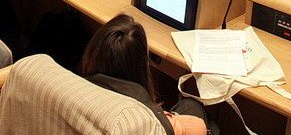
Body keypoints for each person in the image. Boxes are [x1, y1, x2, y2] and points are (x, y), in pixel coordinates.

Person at [81, 14, 210, 135]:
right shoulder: (146, 120)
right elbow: (198, 127)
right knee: (196, 109)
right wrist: (167, 117)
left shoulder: (80, 90)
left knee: (188, 105)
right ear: (141, 64)